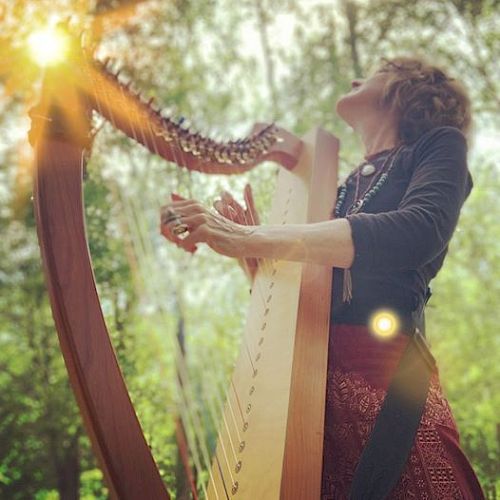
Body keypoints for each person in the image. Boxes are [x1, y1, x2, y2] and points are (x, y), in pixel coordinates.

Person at [159, 56, 485, 499]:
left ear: (408, 88)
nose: (356, 78)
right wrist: (254, 262)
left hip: (385, 377)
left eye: (376, 70)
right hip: (313, 394)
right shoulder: (339, 187)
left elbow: (417, 232)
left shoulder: (438, 146)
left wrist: (250, 236)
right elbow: (314, 295)